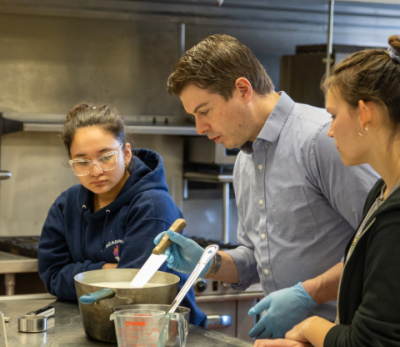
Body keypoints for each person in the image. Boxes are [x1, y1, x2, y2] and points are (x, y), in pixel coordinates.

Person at [154, 34, 380, 339]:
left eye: (204, 111)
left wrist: (308, 294)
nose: (199, 128)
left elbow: (380, 249)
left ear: (243, 90)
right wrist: (209, 263)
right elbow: (254, 258)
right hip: (284, 340)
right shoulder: (244, 162)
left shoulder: (323, 140)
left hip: (341, 337)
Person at [254, 36, 400, 347]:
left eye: (334, 115)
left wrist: (309, 328)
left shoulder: (396, 216)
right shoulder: (381, 192)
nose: (330, 130)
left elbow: (370, 343)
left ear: (365, 113)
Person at [38, 103, 206, 327]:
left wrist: (82, 275)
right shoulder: (66, 205)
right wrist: (108, 270)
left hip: (160, 331)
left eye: (105, 157)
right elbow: (53, 276)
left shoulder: (152, 206)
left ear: (126, 153)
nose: (95, 171)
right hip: (95, 325)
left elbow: (134, 290)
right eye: (82, 161)